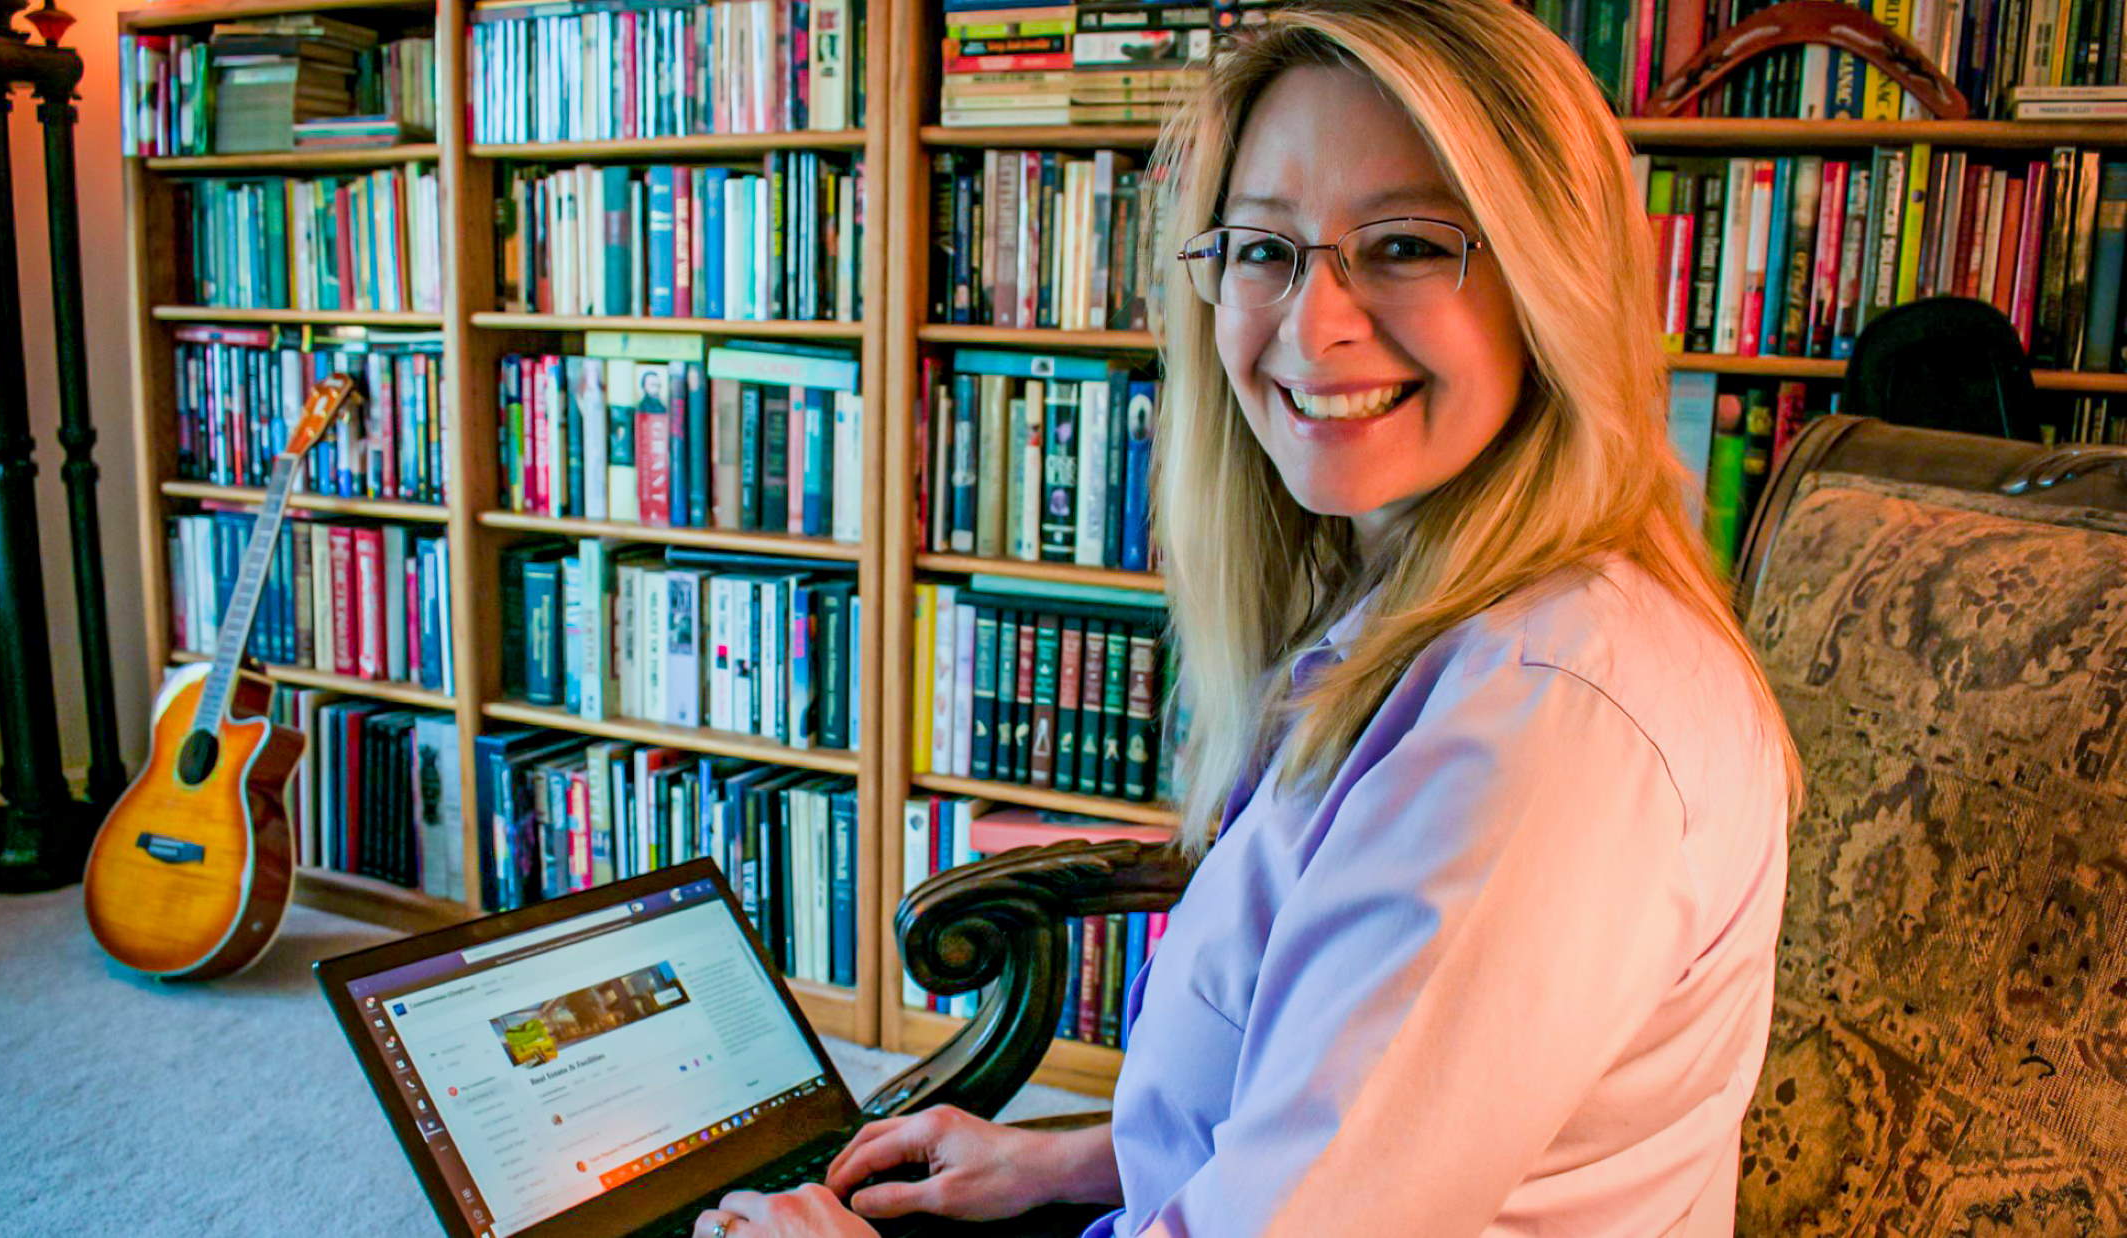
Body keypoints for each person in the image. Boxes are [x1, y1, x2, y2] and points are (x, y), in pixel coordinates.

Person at [695, 1, 1801, 1234]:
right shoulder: (1429, 611)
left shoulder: (1541, 720)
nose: (1312, 324)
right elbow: (1361, 1123)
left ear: (1553, 280)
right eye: (1265, 250)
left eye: (1403, 245)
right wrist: (1077, 1158)